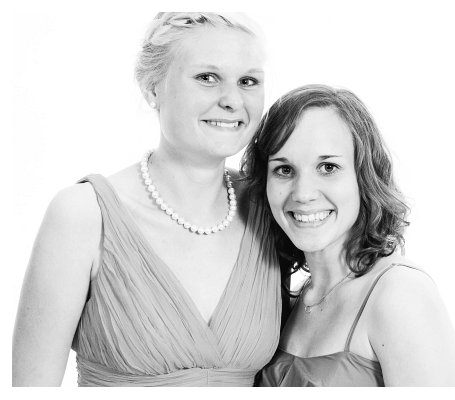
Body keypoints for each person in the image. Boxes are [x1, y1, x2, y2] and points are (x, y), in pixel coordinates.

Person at [12, 12, 281, 387]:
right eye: (207, 77)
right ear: (153, 89)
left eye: (248, 81)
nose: (233, 100)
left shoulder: (271, 207)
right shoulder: (83, 215)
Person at [242, 84, 455, 386]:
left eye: (328, 167)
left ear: (364, 176)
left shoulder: (399, 293)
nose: (303, 193)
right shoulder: (291, 299)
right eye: (284, 170)